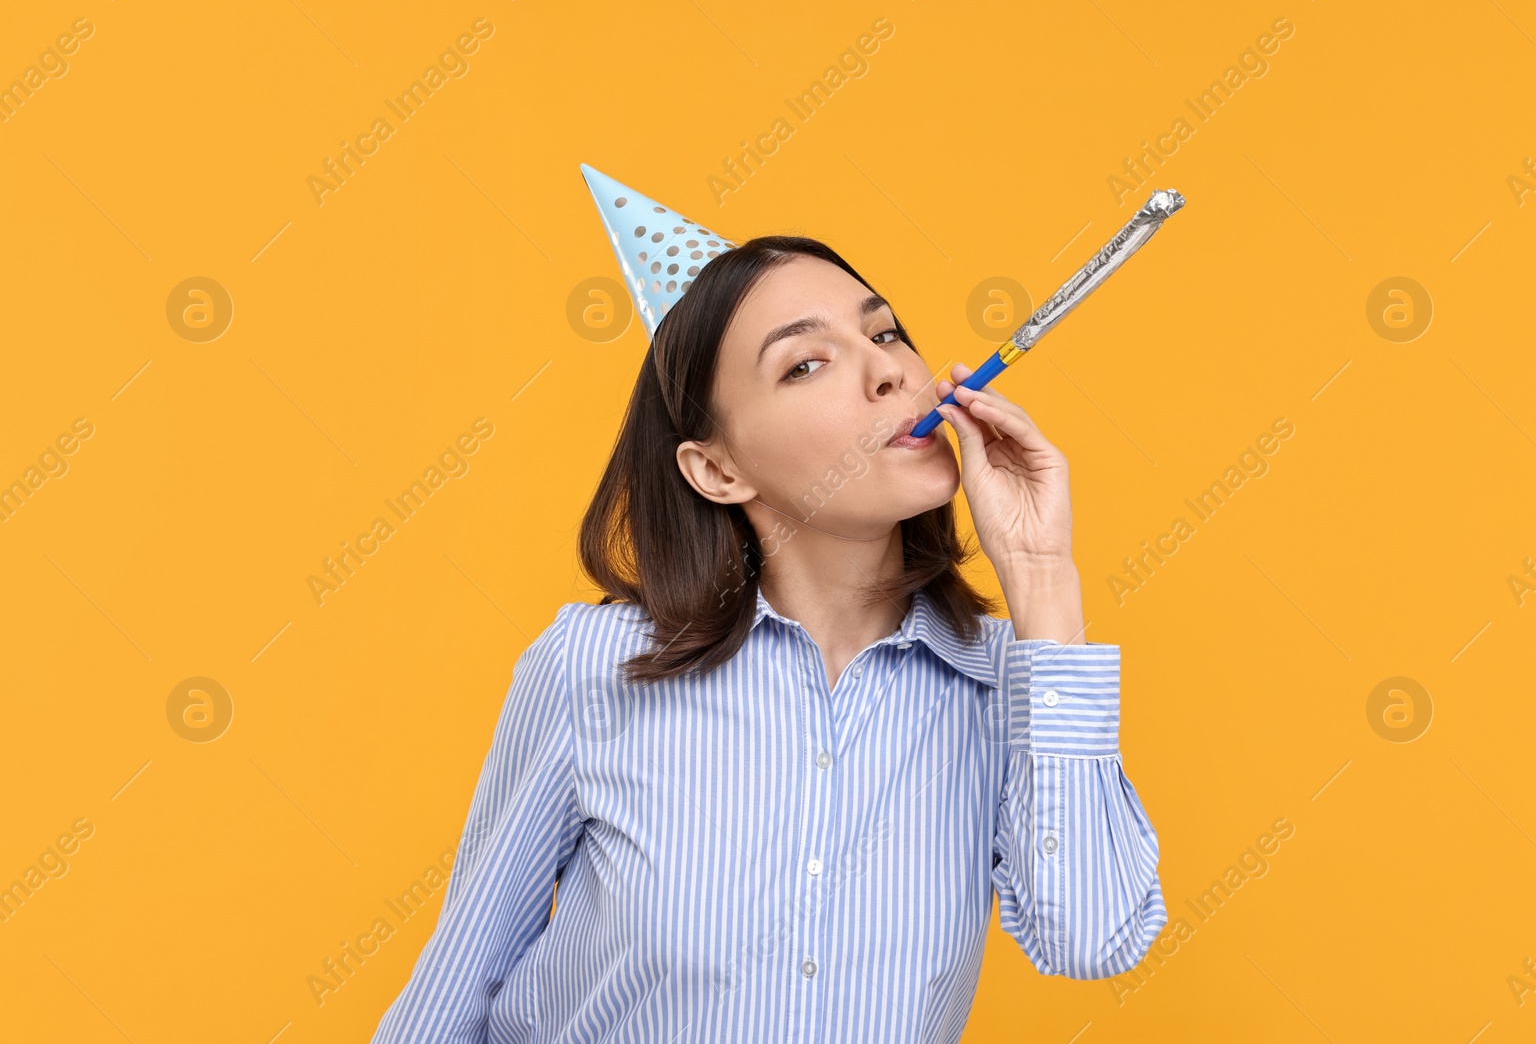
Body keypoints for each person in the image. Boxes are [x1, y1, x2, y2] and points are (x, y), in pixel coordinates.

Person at [371, 191, 1165, 1043]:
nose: (887, 369)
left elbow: (1091, 936)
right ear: (716, 470)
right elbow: (455, 989)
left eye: (885, 331)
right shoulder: (592, 665)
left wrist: (1044, 579)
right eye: (804, 365)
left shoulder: (1011, 684)